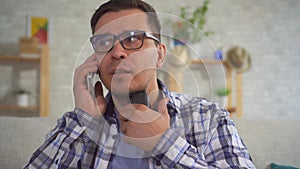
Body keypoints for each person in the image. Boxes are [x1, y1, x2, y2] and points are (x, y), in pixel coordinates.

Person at [24, 0, 256, 168]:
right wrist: (85, 120)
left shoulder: (209, 118)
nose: (117, 52)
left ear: (160, 54)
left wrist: (164, 144)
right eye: (104, 42)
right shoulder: (76, 124)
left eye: (133, 39)